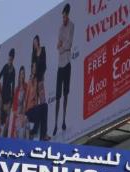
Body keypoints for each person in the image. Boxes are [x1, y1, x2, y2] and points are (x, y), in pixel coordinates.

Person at [54, 3, 74, 134]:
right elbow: (58, 45)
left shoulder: (71, 25)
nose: (64, 19)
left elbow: (68, 44)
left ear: (68, 15)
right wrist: (62, 46)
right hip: (60, 64)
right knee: (57, 96)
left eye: (65, 16)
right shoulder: (61, 28)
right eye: (63, 17)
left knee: (65, 93)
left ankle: (63, 121)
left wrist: (63, 46)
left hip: (67, 62)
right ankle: (55, 123)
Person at [25, 62, 49, 140]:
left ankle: (43, 135)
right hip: (29, 111)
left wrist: (40, 83)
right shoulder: (30, 81)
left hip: (36, 110)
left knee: (44, 106)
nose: (35, 69)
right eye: (33, 67)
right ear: (32, 69)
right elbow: (28, 96)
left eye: (36, 67)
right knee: (39, 109)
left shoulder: (38, 81)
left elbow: (42, 98)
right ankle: (35, 130)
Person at [0, 48, 16, 133]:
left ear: (13, 59)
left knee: (8, 115)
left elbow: (13, 85)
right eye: (9, 58)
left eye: (11, 59)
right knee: (1, 113)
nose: (9, 60)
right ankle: (1, 131)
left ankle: (5, 133)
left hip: (9, 93)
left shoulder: (14, 70)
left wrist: (12, 99)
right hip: (3, 92)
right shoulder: (5, 66)